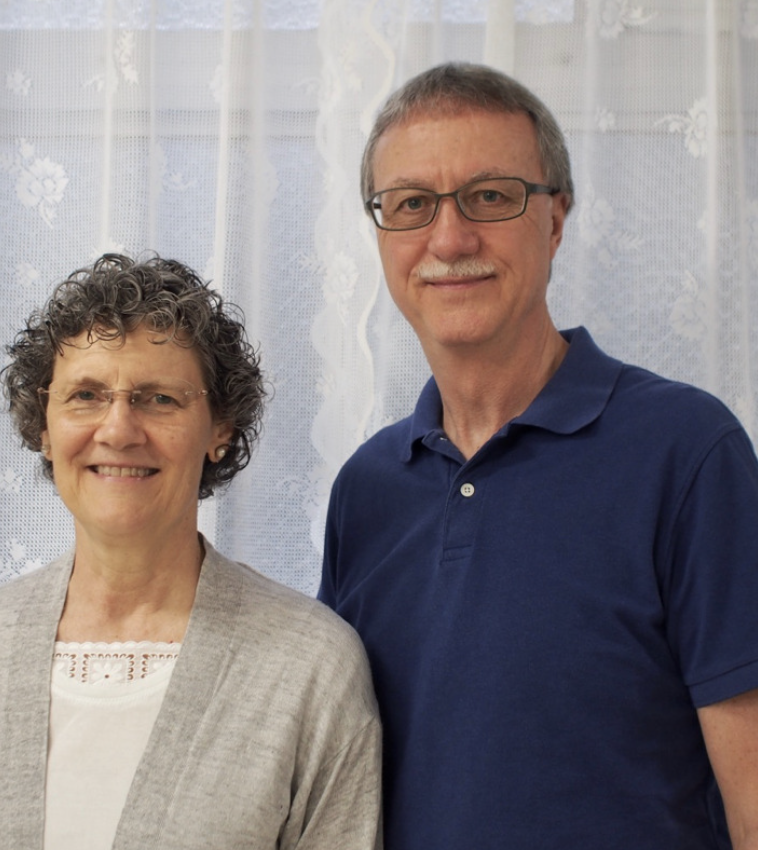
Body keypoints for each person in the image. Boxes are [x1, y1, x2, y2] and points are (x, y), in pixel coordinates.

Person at [318, 63, 758, 850]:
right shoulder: (366, 491)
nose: (449, 239)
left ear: (555, 220)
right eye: (412, 204)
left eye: (491, 196)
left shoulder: (689, 453)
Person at [0, 254, 382, 850]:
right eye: (86, 395)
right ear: (44, 429)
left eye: (159, 399)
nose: (119, 429)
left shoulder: (309, 669)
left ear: (220, 429)